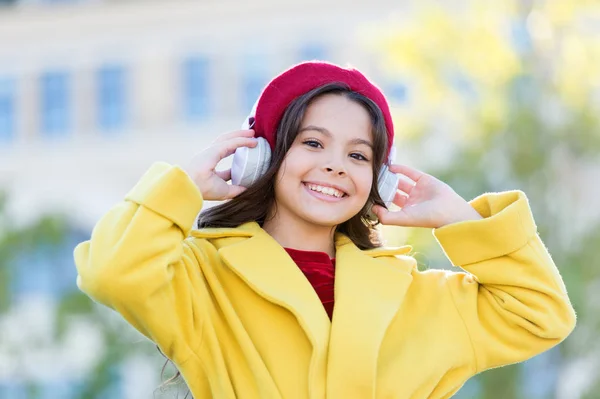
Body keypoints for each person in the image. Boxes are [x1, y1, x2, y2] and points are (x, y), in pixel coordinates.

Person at [74, 61, 576, 398]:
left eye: (359, 155)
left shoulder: (417, 296)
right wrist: (181, 187)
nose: (336, 166)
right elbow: (111, 273)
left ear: (377, 180)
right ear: (262, 157)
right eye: (313, 143)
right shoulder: (202, 277)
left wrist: (461, 221)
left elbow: (542, 315)